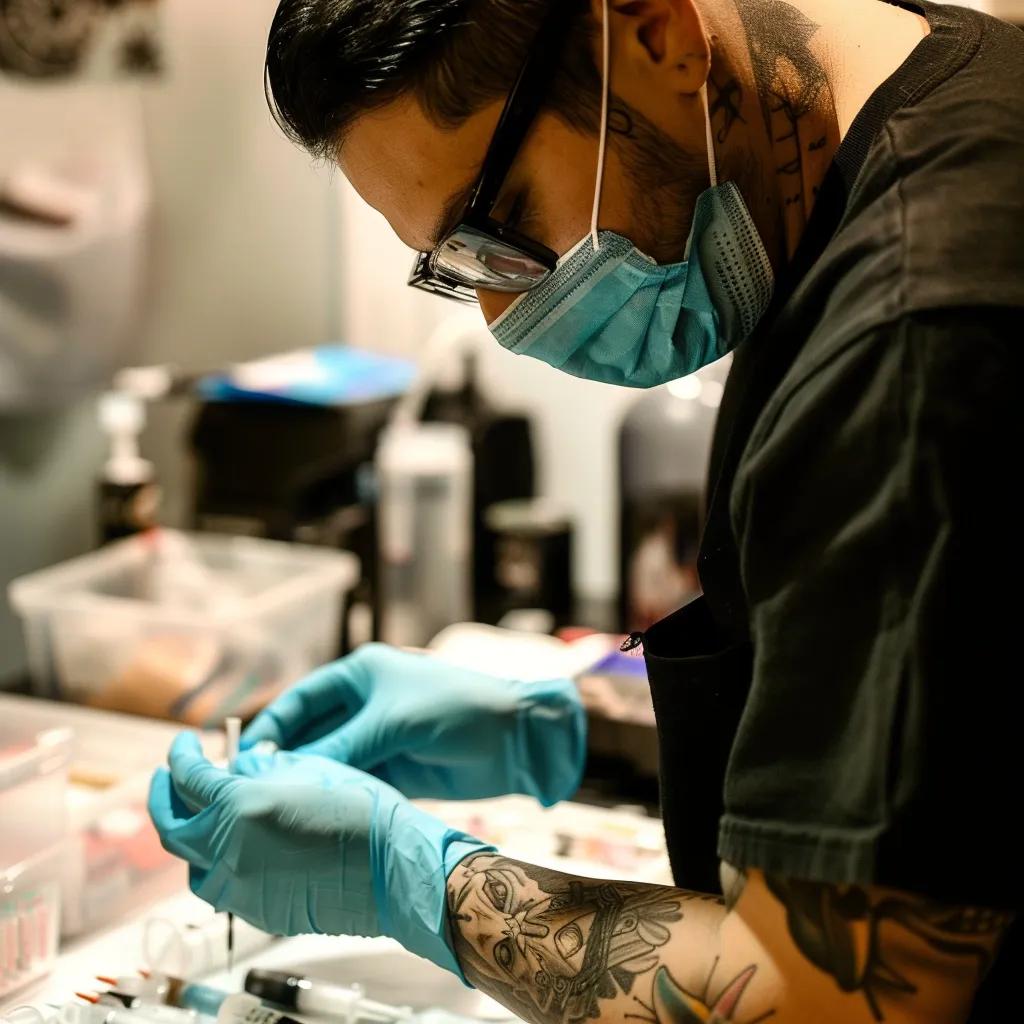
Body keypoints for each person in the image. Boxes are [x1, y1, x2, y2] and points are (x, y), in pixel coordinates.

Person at [149, 0, 1024, 1020]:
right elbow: (940, 706)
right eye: (455, 267)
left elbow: (824, 1001)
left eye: (501, 222)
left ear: (657, 31)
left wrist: (416, 880)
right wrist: (572, 726)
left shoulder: (916, 340)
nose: (504, 315)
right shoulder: (940, 98)